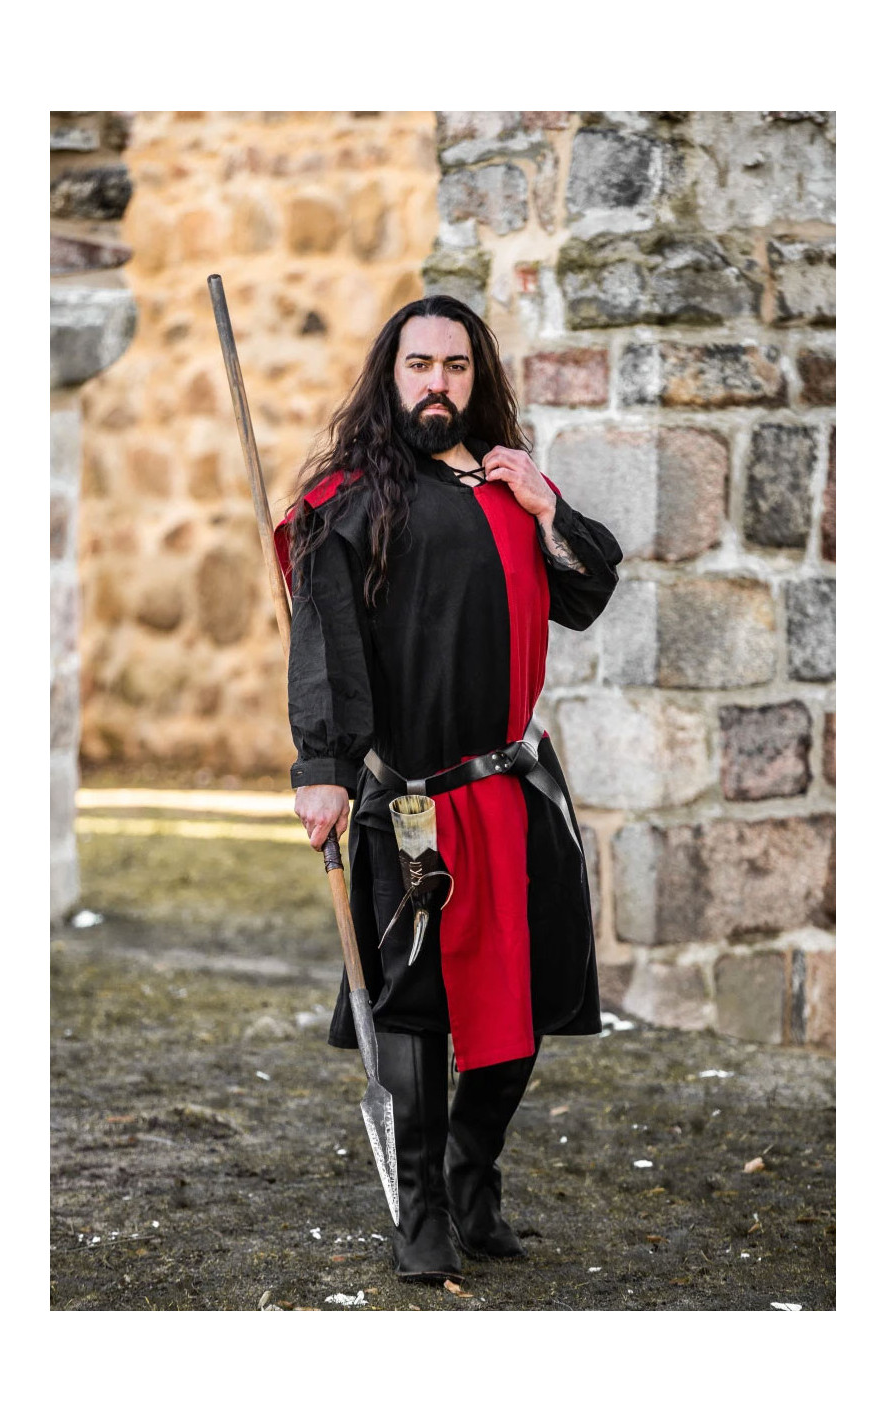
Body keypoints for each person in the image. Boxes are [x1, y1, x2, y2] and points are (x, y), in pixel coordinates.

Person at [274, 294, 622, 1285]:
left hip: (515, 789)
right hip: (411, 802)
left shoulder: (513, 486)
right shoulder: (350, 502)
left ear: (478, 378)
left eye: (456, 367)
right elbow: (325, 649)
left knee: (526, 992)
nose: (438, 384)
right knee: (416, 1004)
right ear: (390, 378)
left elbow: (586, 593)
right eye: (419, 365)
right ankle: (420, 1209)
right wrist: (323, 771)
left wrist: (547, 505)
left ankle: (474, 1175)